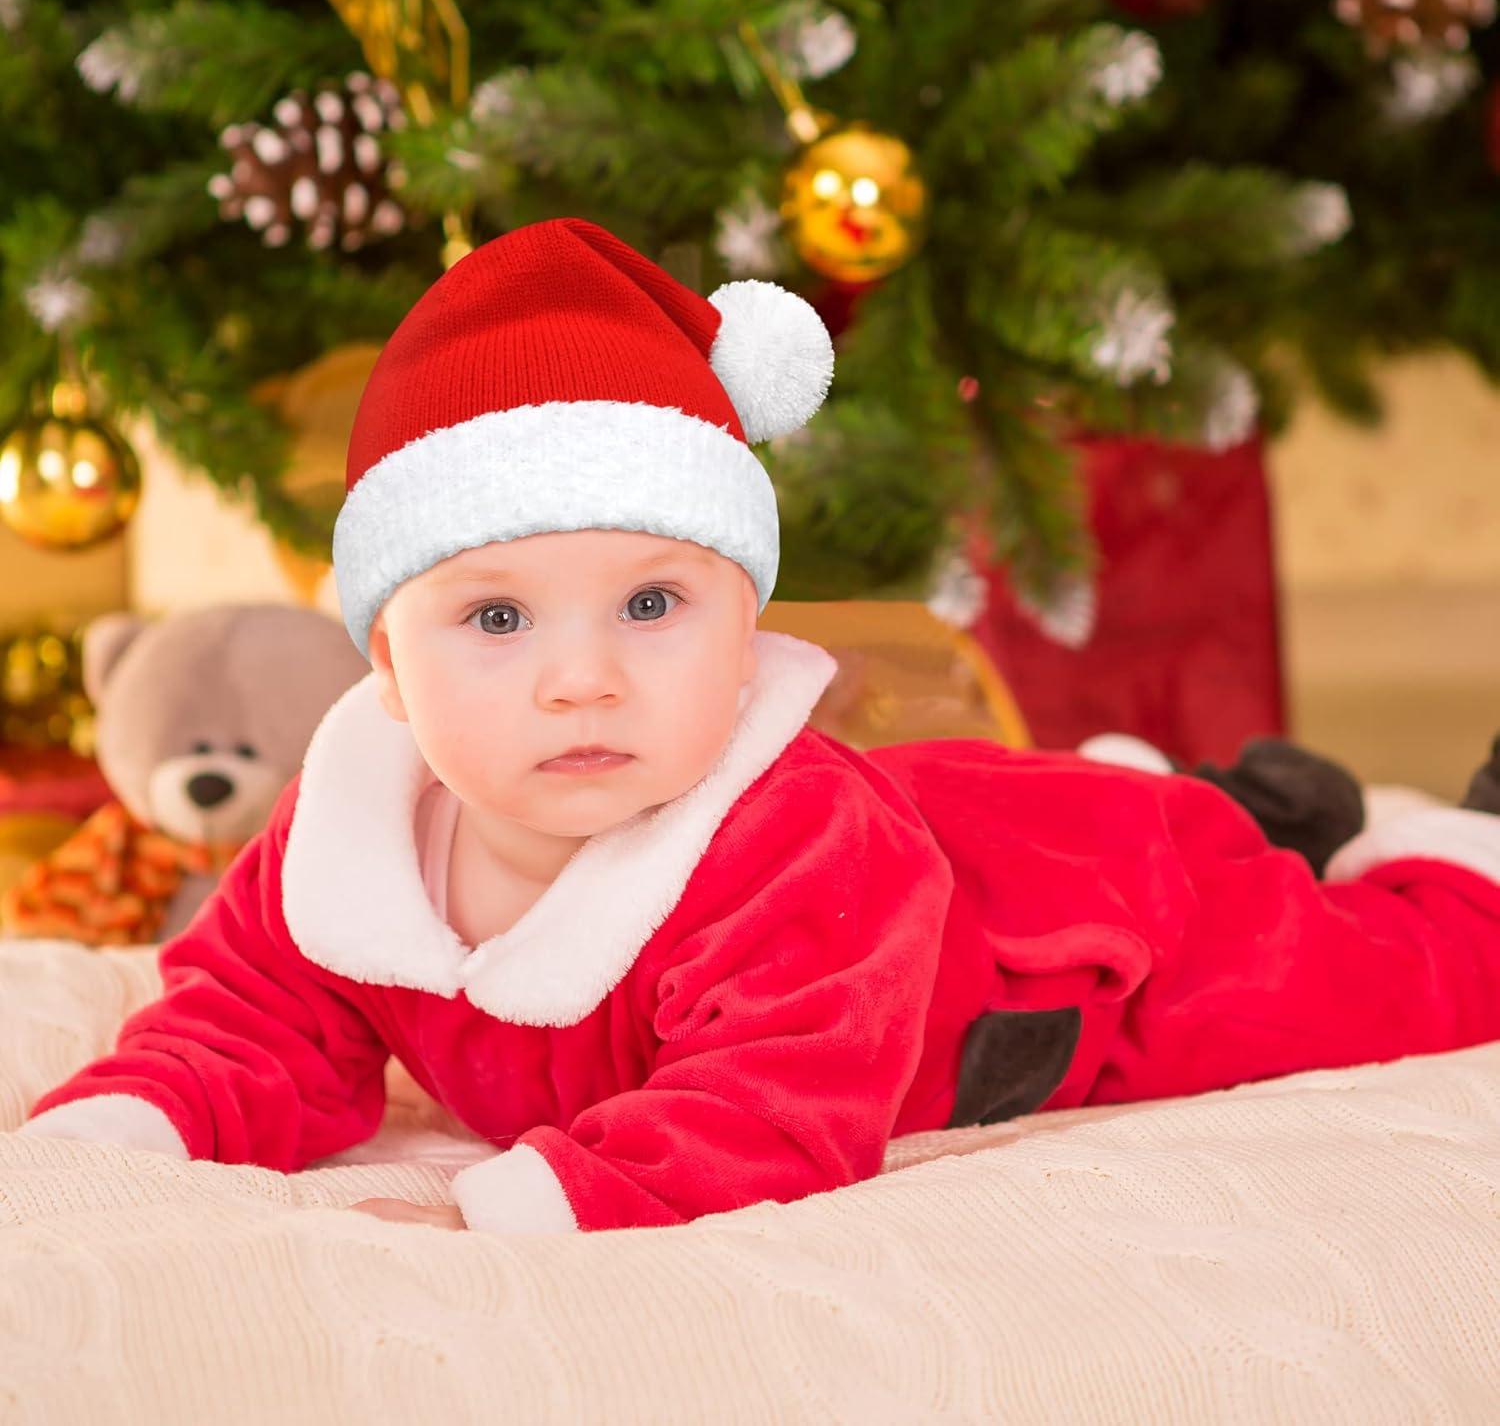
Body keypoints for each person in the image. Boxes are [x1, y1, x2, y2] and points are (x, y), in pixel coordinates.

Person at [18, 218, 1500, 1235]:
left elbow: (781, 1103)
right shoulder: (345, 845)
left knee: (1330, 971)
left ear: (746, 633)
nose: (582, 679)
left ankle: (1438, 849)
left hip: (1043, 943)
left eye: (652, 604)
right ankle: (1259, 802)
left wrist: (547, 1201)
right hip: (938, 810)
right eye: (496, 619)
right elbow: (252, 1017)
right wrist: (140, 1114)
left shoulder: (797, 843)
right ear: (388, 669)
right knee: (1119, 803)